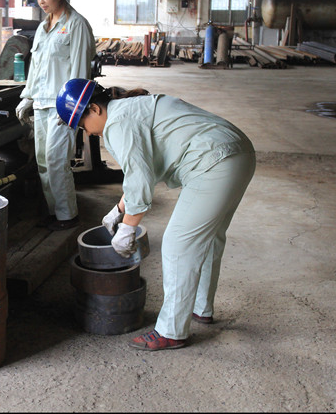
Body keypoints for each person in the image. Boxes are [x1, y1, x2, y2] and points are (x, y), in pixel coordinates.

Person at [56, 78, 256, 351]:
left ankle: (171, 331)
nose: (87, 132)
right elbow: (143, 170)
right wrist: (118, 210)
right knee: (208, 238)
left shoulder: (117, 123)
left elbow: (139, 179)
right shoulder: (129, 110)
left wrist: (128, 228)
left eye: (82, 124)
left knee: (177, 244)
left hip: (213, 162)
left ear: (94, 109)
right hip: (238, 154)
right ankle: (201, 308)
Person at [15, 0, 96, 231]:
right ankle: (54, 212)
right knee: (42, 161)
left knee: (56, 162)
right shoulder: (43, 27)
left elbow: (80, 72)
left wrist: (71, 109)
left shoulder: (76, 25)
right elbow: (36, 68)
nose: (41, 0)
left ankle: (67, 216)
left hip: (62, 107)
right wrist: (28, 97)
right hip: (41, 103)